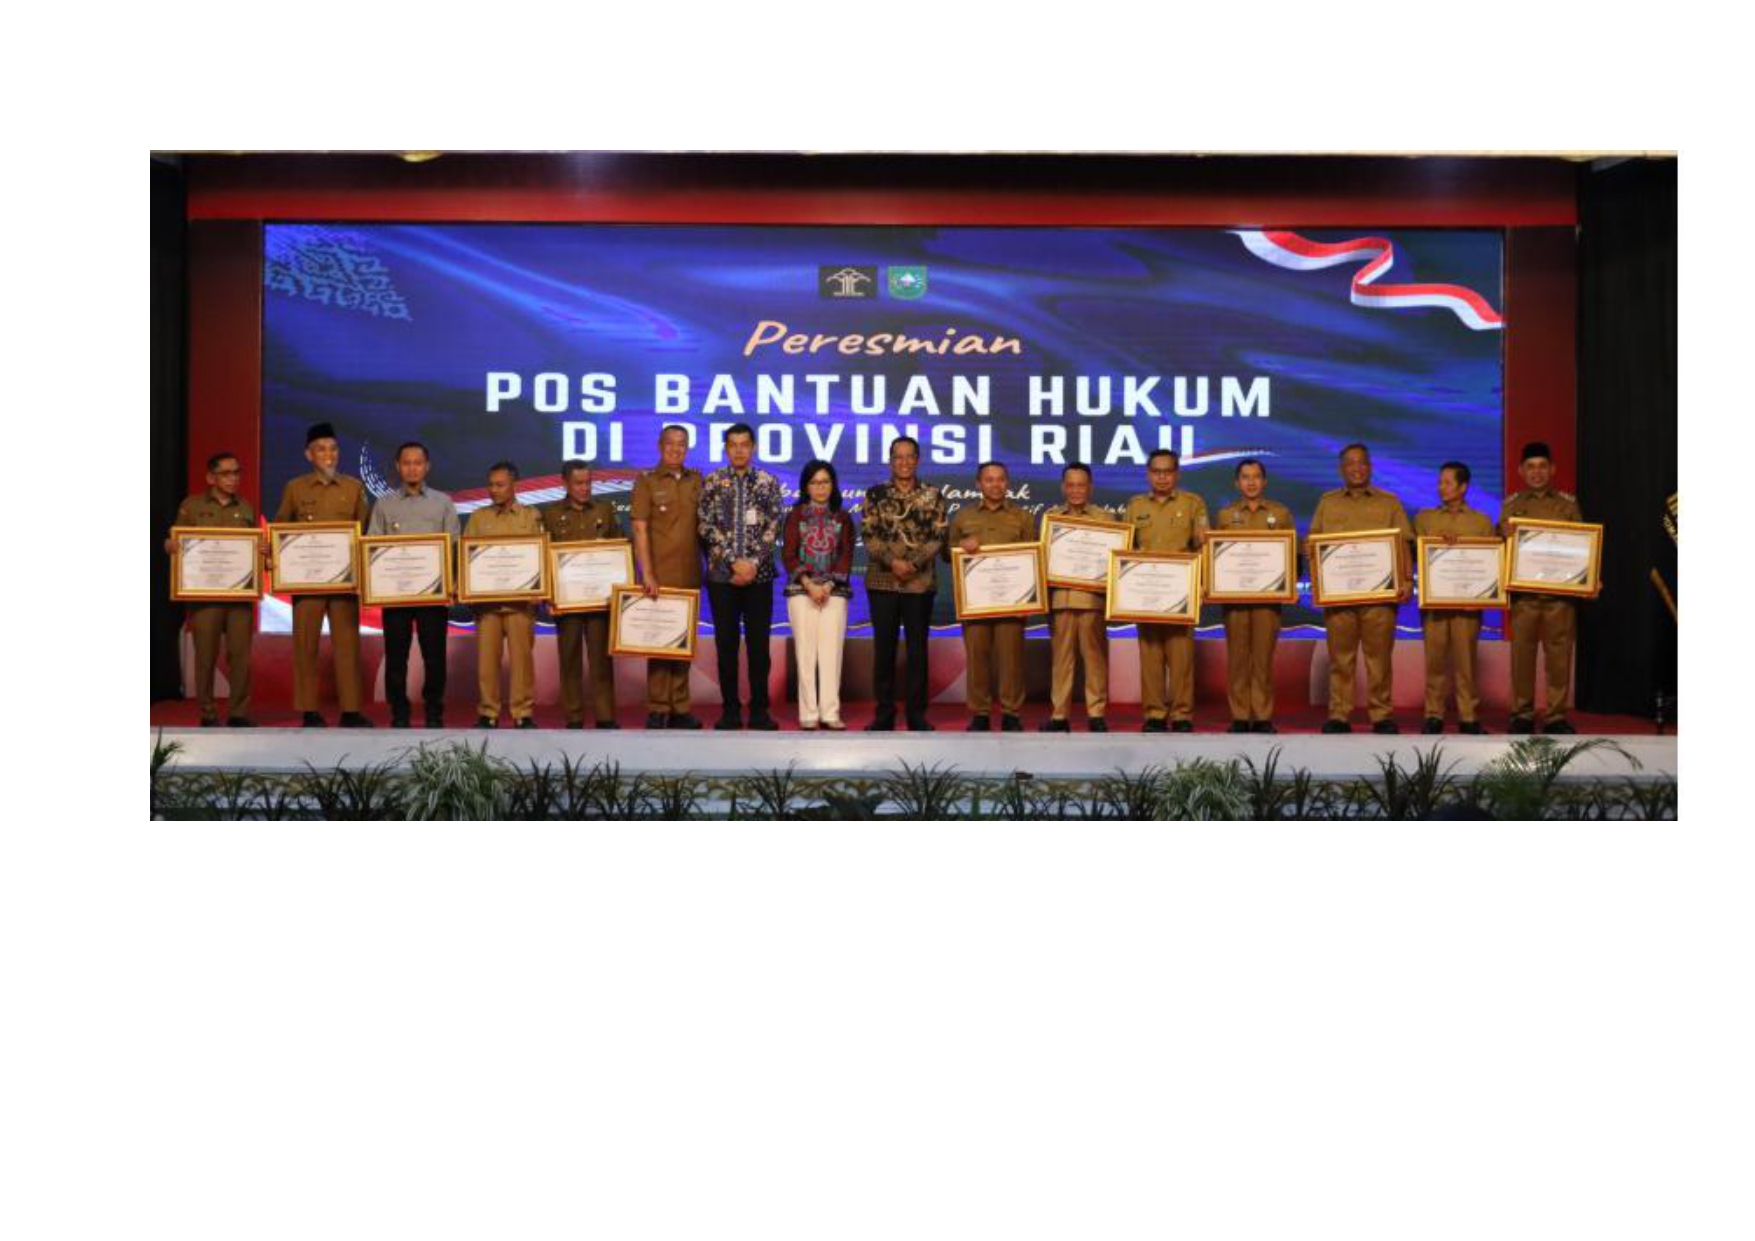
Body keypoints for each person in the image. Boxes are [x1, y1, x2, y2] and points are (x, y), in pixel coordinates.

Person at [1307, 443, 1414, 734]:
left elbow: (1403, 543)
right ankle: (1339, 715)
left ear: (1370, 467)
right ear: (1342, 469)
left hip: (1380, 597)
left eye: (1362, 462)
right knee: (1340, 659)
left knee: (1379, 659)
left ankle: (1381, 715)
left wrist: (1406, 580)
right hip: (1339, 596)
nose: (1357, 468)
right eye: (1350, 463)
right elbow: (1312, 544)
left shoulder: (1389, 502)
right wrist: (1318, 578)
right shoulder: (1328, 502)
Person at [274, 422, 372, 728]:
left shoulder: (354, 488)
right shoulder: (295, 488)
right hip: (308, 584)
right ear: (309, 454)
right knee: (306, 646)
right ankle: (309, 710)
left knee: (348, 647)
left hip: (344, 584)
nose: (328, 454)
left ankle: (351, 711)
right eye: (321, 449)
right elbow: (280, 529)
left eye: (333, 448)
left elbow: (365, 532)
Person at [1499, 441, 1594, 734]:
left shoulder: (1568, 504)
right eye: (1530, 467)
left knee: (1559, 657)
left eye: (1542, 466)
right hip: (1525, 597)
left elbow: (1583, 545)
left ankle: (1555, 716)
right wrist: (1504, 533)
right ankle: (1522, 714)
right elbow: (1500, 545)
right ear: (1521, 471)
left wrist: (1588, 577)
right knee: (1522, 657)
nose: (1536, 472)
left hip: (1559, 596)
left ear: (1552, 469)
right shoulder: (1511, 505)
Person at [697, 423, 786, 730]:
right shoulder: (712, 482)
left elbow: (774, 525)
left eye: (744, 444)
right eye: (733, 445)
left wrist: (752, 563)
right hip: (722, 577)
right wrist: (734, 561)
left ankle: (760, 711)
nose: (738, 450)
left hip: (759, 577)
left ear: (753, 447)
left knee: (759, 647)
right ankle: (730, 711)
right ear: (726, 449)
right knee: (726, 645)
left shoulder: (767, 482)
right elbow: (705, 525)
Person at [366, 441, 460, 729]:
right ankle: (399, 711)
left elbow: (454, 547)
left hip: (434, 595)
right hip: (396, 595)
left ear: (427, 467)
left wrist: (453, 582)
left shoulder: (443, 503)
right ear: (398, 467)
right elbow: (372, 547)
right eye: (406, 463)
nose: (412, 468)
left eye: (418, 463)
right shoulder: (384, 504)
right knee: (396, 656)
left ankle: (434, 711)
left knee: (434, 657)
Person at [167, 451, 261, 727]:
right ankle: (207, 713)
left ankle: (239, 713)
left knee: (240, 657)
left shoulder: (246, 508)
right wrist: (169, 545)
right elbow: (177, 540)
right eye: (226, 473)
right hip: (204, 596)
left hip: (239, 596)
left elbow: (252, 548)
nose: (233, 478)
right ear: (211, 477)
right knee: (205, 657)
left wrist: (262, 550)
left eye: (237, 473)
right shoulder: (192, 506)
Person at [861, 436, 948, 732]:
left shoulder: (933, 495)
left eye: (909, 456)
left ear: (918, 460)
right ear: (890, 461)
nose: (904, 462)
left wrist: (912, 563)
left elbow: (938, 536)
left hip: (919, 583)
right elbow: (869, 534)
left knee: (917, 650)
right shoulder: (875, 494)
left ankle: (916, 714)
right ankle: (884, 714)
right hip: (882, 582)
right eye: (898, 457)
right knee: (883, 649)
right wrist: (893, 561)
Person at [947, 461, 1037, 731]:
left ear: (1007, 482)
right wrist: (961, 545)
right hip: (975, 603)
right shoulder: (963, 517)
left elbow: (1034, 558)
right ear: (978, 484)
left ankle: (1011, 713)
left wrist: (1027, 601)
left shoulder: (1023, 517)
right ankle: (980, 713)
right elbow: (947, 552)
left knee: (1012, 660)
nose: (995, 484)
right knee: (977, 659)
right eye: (989, 479)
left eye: (1000, 479)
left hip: (1013, 603)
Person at [1123, 449, 1208, 733]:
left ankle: (1182, 714)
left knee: (1181, 657)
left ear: (1177, 474)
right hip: (1145, 593)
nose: (1162, 477)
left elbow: (1203, 546)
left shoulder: (1193, 504)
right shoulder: (1135, 506)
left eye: (1168, 471)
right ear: (1148, 474)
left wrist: (1201, 582)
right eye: (1156, 472)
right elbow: (1124, 550)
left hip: (1180, 593)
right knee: (1150, 656)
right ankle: (1154, 714)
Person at [631, 425, 705, 729]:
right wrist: (647, 572)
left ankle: (680, 709)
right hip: (659, 575)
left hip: (690, 574)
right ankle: (658, 707)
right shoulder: (646, 481)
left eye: (682, 444)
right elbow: (640, 528)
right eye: (671, 443)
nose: (676, 449)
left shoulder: (697, 480)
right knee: (660, 643)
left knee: (682, 645)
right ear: (660, 445)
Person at [542, 460, 625, 730]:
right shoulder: (551, 514)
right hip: (566, 601)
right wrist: (548, 595)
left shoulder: (605, 510)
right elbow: (544, 557)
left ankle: (605, 716)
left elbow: (620, 548)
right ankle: (574, 717)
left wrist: (620, 590)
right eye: (578, 483)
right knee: (569, 659)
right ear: (565, 483)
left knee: (602, 660)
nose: (584, 488)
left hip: (600, 601)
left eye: (588, 482)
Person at [1214, 458, 1294, 734]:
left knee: (1262, 659)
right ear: (1237, 483)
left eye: (1256, 476)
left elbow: (1292, 556)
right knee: (1237, 659)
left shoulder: (1280, 514)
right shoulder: (1225, 516)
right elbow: (1216, 557)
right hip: (1234, 600)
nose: (1251, 482)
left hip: (1268, 601)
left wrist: (1289, 585)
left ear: (1264, 481)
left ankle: (1261, 716)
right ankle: (1239, 715)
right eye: (1245, 477)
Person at [1414, 461, 1495, 735]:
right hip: (1434, 603)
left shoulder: (1482, 521)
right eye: (1440, 482)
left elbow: (1490, 562)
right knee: (1434, 660)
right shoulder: (1425, 519)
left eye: (1447, 482)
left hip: (1468, 605)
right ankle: (1433, 715)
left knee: (1466, 661)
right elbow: (1414, 553)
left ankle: (1468, 716)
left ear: (1463, 487)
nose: (1441, 487)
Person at [464, 461, 542, 729]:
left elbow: (541, 555)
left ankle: (522, 713)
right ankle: (488, 712)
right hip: (487, 605)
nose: (493, 490)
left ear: (513, 485)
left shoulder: (531, 516)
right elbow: (467, 558)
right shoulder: (478, 518)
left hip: (521, 604)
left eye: (500, 485)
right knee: (486, 664)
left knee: (522, 663)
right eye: (491, 485)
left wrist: (540, 589)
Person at [781, 459, 857, 730]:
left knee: (831, 653)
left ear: (833, 485)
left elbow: (847, 554)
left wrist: (827, 585)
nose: (820, 487)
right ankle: (809, 713)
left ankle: (830, 712)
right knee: (806, 653)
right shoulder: (795, 515)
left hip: (834, 590)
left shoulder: (843, 517)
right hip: (802, 590)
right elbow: (788, 554)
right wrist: (809, 584)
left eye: (825, 482)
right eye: (814, 482)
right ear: (806, 486)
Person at [1042, 463, 1113, 733]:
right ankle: (1059, 715)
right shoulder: (1051, 518)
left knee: (1095, 659)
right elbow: (1042, 558)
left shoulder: (1105, 519)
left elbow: (1114, 558)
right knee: (1061, 660)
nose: (1075, 490)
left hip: (1092, 599)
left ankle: (1096, 714)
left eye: (1081, 485)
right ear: (1063, 487)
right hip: (1060, 599)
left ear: (1090, 487)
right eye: (1070, 485)